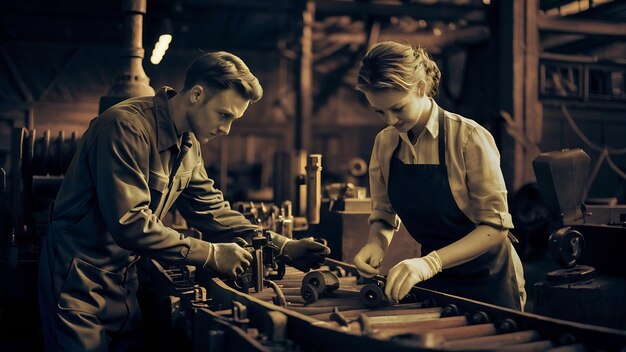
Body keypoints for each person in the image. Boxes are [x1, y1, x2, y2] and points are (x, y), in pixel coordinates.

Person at [38, 51, 330, 351]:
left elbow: (213, 212)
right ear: (197, 94)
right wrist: (211, 254)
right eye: (224, 114)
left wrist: (281, 245)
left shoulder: (188, 145)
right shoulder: (124, 127)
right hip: (79, 279)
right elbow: (129, 223)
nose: (227, 129)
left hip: (124, 281)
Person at [352, 41, 526, 310]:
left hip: (489, 277)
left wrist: (429, 263)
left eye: (397, 108)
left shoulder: (468, 138)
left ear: (420, 88)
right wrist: (375, 244)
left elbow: (495, 228)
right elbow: (384, 215)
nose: (389, 120)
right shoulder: (385, 144)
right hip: (435, 279)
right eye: (379, 111)